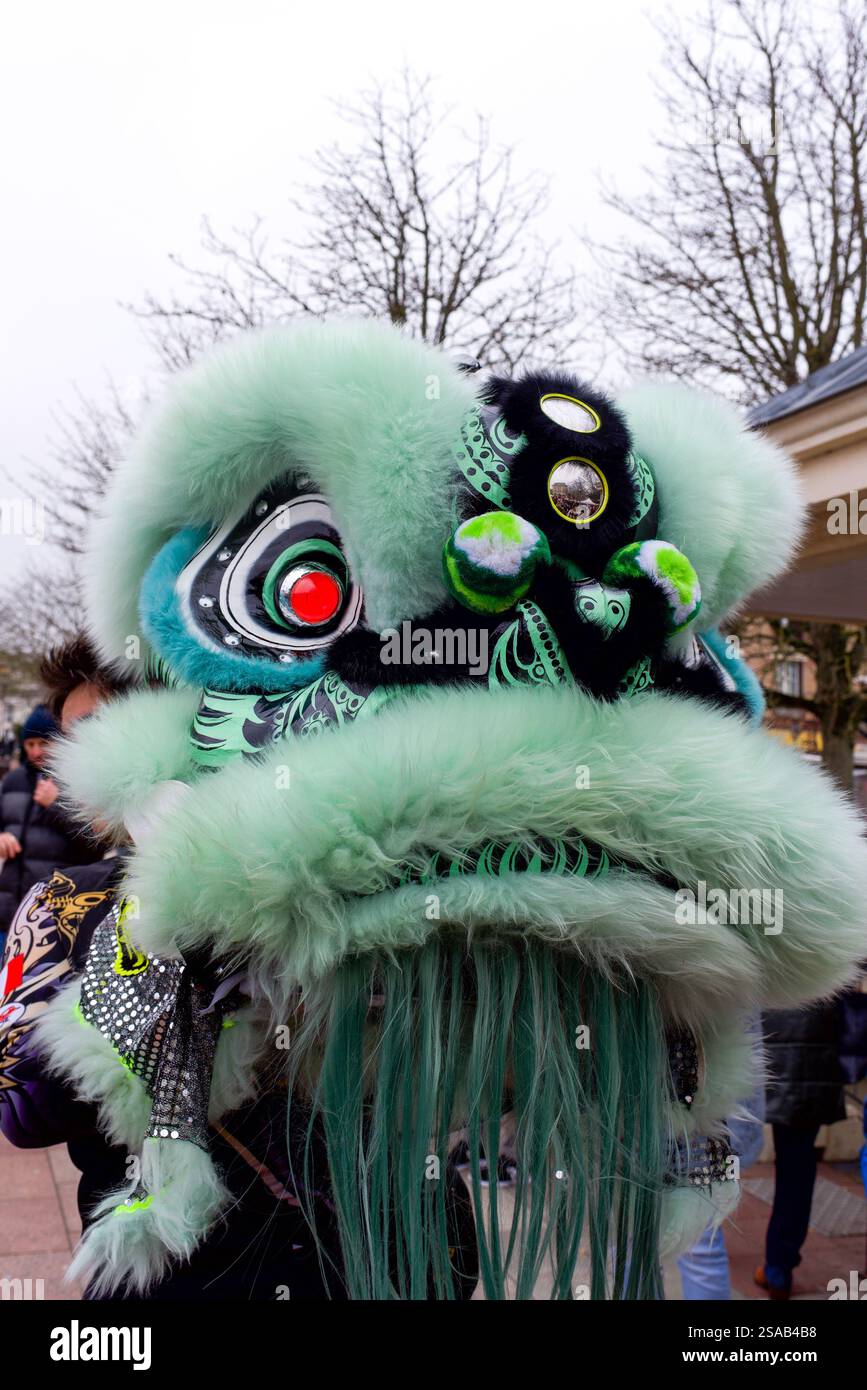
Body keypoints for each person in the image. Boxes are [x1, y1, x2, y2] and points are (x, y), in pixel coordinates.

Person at [754, 1002, 847, 1300]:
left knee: (725, 1159)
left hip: (752, 1042)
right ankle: (779, 1269)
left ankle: (708, 1247)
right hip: (811, 1051)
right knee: (797, 1169)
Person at [0, 693, 105, 942]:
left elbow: (96, 845)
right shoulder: (13, 780)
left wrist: (56, 805)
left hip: (56, 912)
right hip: (7, 908)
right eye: (30, 744)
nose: (36, 752)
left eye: (43, 743)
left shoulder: (78, 783)